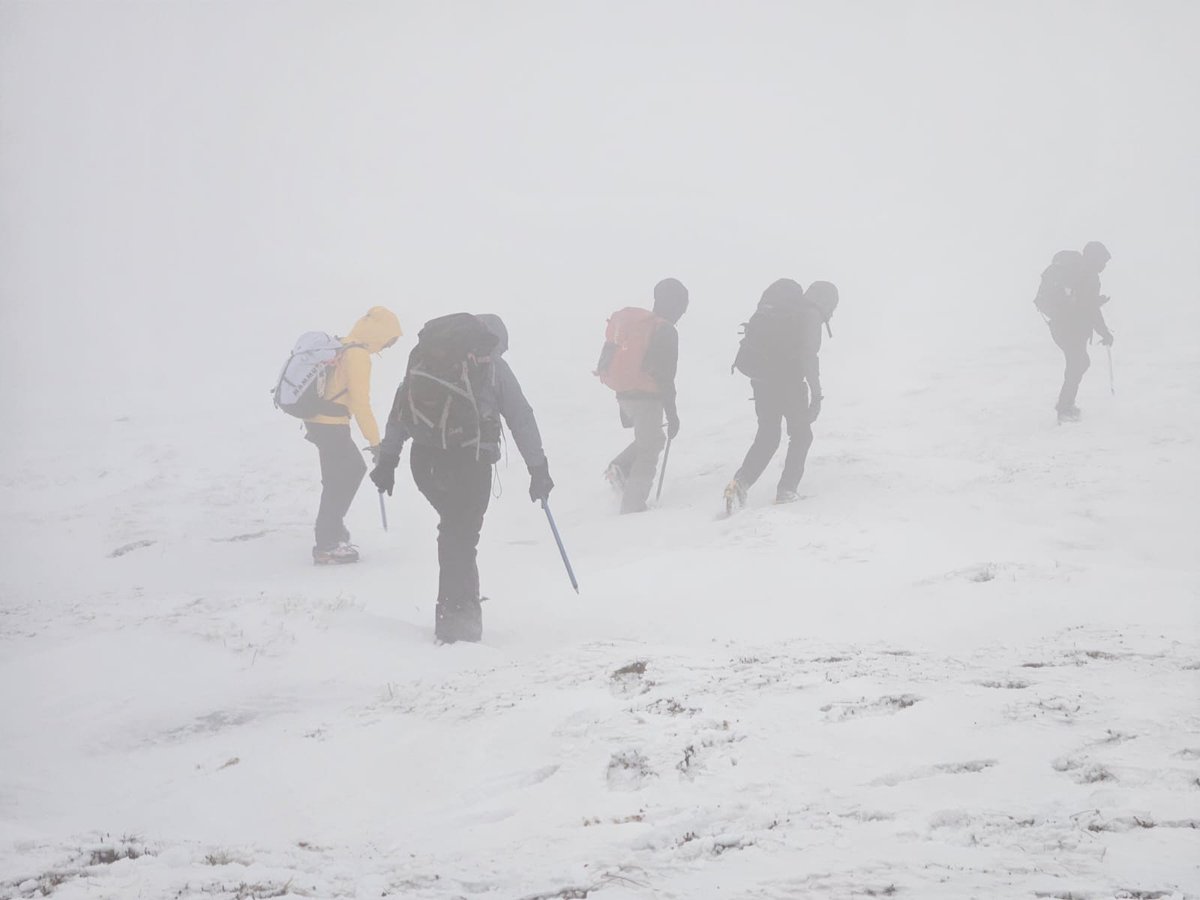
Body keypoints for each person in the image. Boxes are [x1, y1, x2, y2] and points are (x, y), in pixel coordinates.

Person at [370, 313, 553, 644]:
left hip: (424, 462)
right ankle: (455, 623)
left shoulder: (427, 359)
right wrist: (538, 469)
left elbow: (401, 409)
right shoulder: (493, 365)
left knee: (456, 532)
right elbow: (520, 417)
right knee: (460, 536)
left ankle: (463, 607)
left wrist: (388, 460)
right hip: (468, 462)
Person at [724, 279, 838, 510]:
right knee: (801, 435)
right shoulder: (810, 314)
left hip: (761, 381)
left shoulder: (784, 310)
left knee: (768, 436)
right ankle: (787, 490)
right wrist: (816, 396)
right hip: (788, 383)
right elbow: (808, 358)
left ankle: (738, 485)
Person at [304, 306, 402, 564]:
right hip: (331, 423)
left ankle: (333, 532)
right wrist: (376, 442)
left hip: (317, 421)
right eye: (389, 341)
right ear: (378, 334)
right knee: (352, 471)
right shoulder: (357, 354)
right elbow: (360, 402)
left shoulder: (342, 344)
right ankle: (327, 543)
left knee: (336, 477)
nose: (386, 347)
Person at [597, 278, 689, 514]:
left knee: (652, 439)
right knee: (649, 450)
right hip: (646, 397)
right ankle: (633, 506)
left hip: (625, 394)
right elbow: (665, 376)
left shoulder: (641, 326)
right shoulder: (665, 331)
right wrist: (673, 414)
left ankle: (620, 467)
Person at [1035, 241, 1114, 422]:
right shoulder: (1088, 276)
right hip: (1070, 327)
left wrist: (1095, 302)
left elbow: (1085, 303)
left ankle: (1066, 404)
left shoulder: (1079, 273)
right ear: (1094, 258)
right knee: (1077, 364)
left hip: (1061, 326)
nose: (1104, 266)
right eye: (1103, 261)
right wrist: (1105, 333)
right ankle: (1064, 408)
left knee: (1079, 363)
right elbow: (1090, 308)